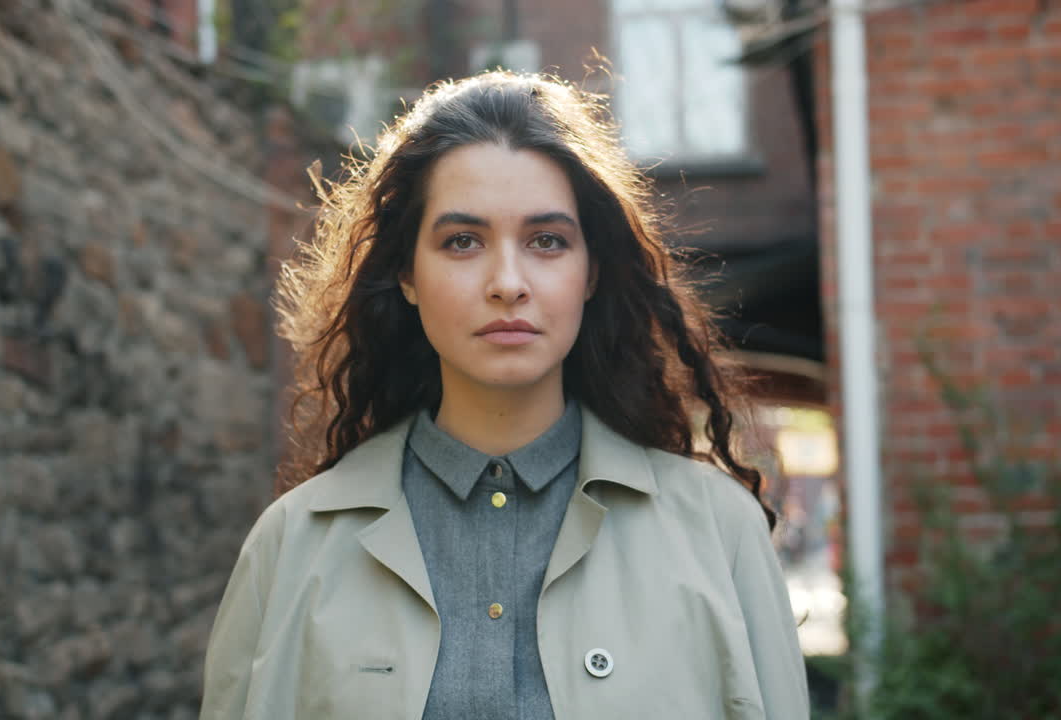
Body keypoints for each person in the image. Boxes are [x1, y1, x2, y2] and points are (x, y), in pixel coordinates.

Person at [199, 70, 809, 719]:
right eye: (463, 241)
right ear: (406, 272)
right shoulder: (290, 547)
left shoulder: (720, 534)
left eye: (547, 241)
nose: (508, 282)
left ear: (591, 270)